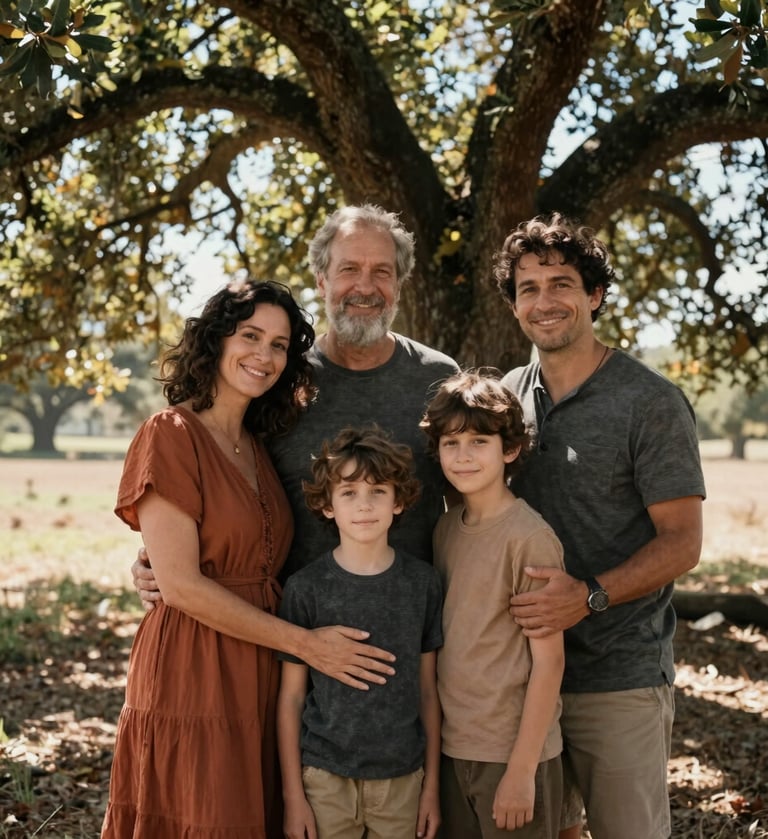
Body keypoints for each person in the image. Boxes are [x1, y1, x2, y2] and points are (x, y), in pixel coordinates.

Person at [102, 280, 398, 839]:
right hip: (194, 666)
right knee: (206, 817)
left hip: (263, 666)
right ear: (216, 341)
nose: (264, 355)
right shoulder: (169, 433)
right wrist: (308, 645)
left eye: (280, 345)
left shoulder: (258, 444)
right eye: (250, 336)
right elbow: (182, 586)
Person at [493, 213, 706, 839]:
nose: (544, 301)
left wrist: (587, 597)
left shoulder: (649, 401)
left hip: (618, 676)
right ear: (514, 306)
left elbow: (684, 543)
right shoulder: (506, 399)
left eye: (561, 283)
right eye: (528, 288)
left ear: (594, 296)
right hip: (523, 680)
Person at [133, 204, 459, 606]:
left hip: (415, 629)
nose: (365, 286)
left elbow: (469, 509)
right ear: (321, 280)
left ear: (400, 283)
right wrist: (160, 562)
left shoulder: (439, 378)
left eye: (382, 272)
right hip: (292, 639)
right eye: (348, 269)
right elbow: (218, 483)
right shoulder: (277, 379)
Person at [277, 426, 443, 839]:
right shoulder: (305, 588)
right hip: (323, 779)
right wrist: (293, 796)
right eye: (349, 492)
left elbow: (427, 691)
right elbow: (292, 698)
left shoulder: (423, 584)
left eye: (378, 492)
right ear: (328, 505)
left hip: (403, 779)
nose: (364, 505)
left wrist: (432, 789)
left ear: (399, 501)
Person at [420, 370, 564, 839]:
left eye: (478, 441)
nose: (462, 456)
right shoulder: (444, 530)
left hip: (513, 754)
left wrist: (522, 772)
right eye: (450, 443)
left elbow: (549, 664)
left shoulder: (529, 539)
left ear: (510, 449)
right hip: (452, 748)